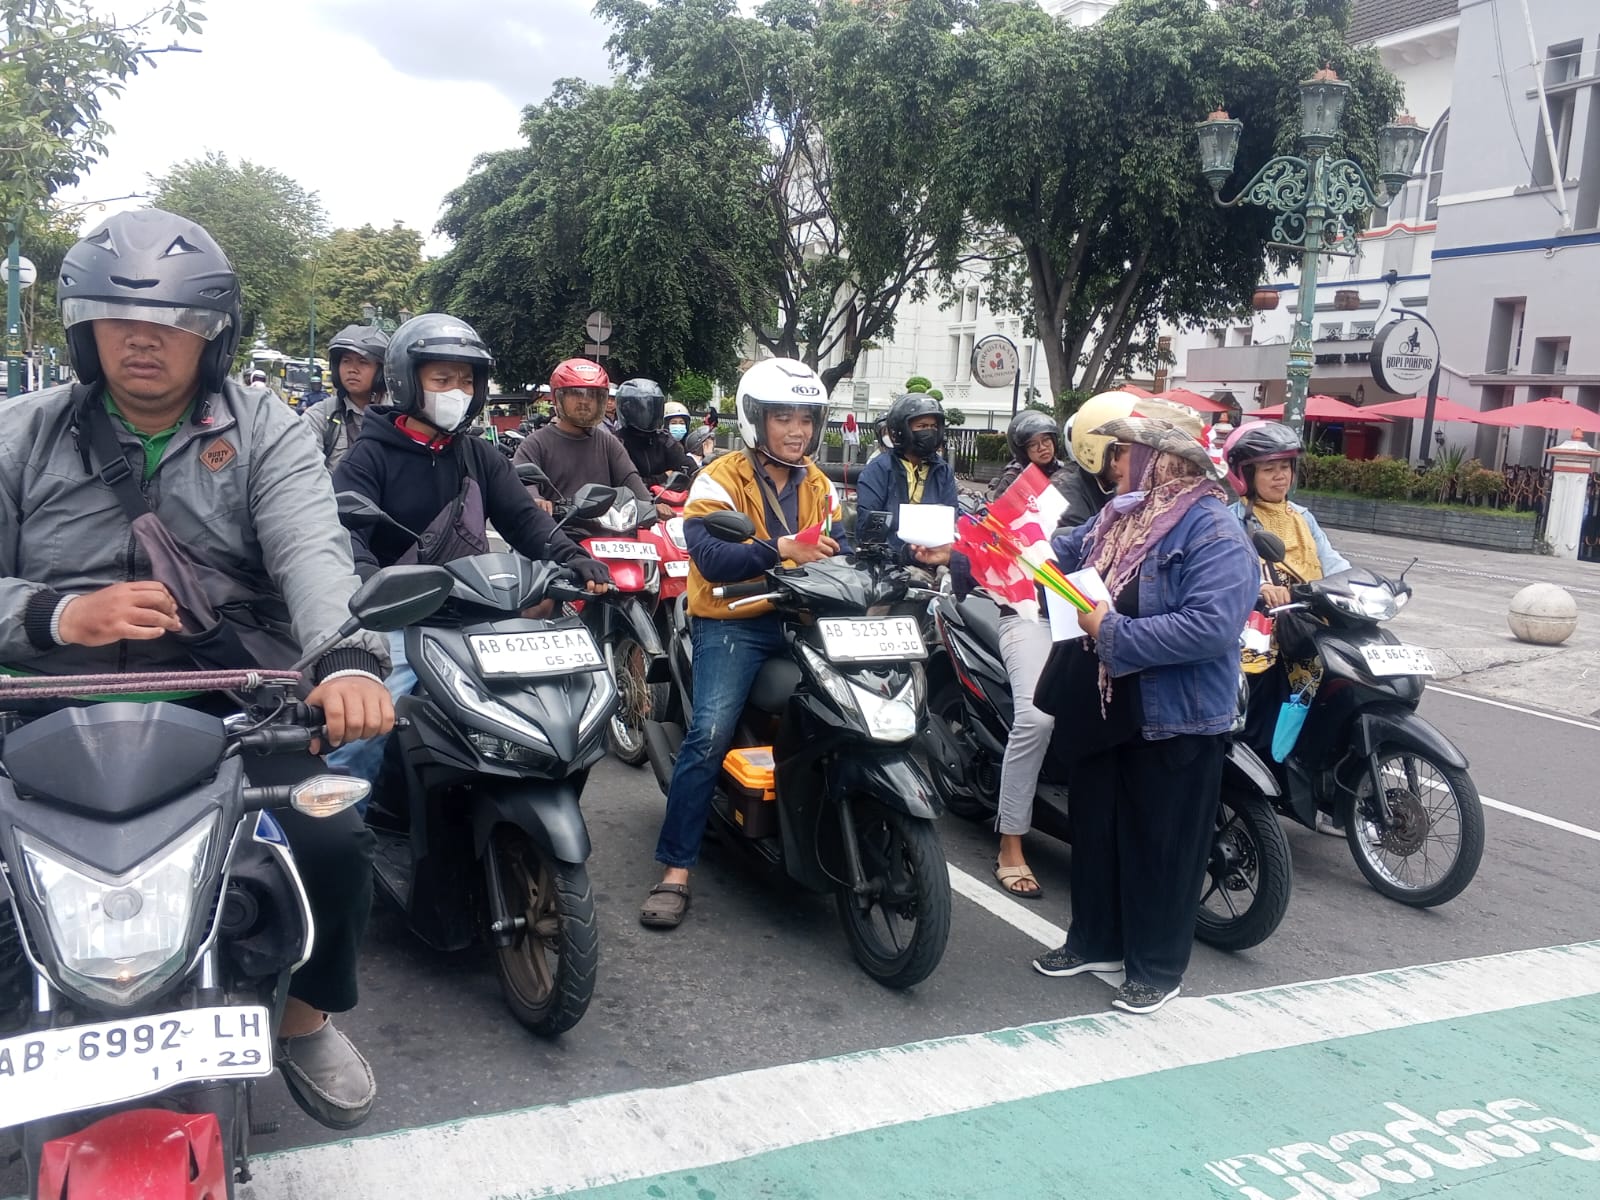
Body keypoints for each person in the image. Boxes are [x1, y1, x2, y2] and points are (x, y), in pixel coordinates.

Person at [0, 208, 394, 1127]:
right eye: (117, 315)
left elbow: (312, 550)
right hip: (39, 705)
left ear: (213, 337)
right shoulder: (19, 433)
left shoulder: (268, 430)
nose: (144, 340)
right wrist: (59, 615)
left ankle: (303, 1018)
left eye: (174, 322)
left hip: (226, 705)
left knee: (337, 845)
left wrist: (344, 661)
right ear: (81, 327)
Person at [1033, 416, 1258, 1014]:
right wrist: (998, 545)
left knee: (1162, 844)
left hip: (1173, 716)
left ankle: (1156, 967)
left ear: (1164, 460)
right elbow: (1065, 550)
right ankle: (1094, 941)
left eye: (1129, 452)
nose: (1119, 462)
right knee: (1098, 830)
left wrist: (1112, 631)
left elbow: (1212, 626)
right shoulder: (1123, 513)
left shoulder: (1212, 527)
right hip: (1105, 705)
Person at [330, 317, 613, 782]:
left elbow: (524, 519)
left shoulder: (477, 454)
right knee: (364, 732)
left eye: (466, 380)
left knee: (552, 715)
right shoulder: (370, 455)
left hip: (475, 616)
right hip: (397, 620)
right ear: (407, 380)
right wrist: (367, 578)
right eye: (442, 379)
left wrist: (571, 556)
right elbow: (345, 532)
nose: (457, 390)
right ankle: (339, 836)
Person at [640, 357, 843, 930]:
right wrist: (782, 549)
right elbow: (710, 556)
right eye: (783, 417)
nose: (797, 429)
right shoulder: (719, 478)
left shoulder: (822, 485)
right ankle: (675, 869)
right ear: (756, 420)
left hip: (801, 619)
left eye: (806, 417)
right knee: (709, 733)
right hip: (732, 620)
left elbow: (841, 545)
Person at [1224, 421, 1350, 829]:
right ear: (1245, 475)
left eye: (1285, 467)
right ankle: (1248, 797)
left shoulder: (1303, 518)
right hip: (1261, 634)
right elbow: (1228, 570)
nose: (1280, 476)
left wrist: (1362, 585)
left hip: (1312, 624)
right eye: (1268, 468)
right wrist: (1261, 585)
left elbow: (1333, 564)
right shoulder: (1233, 520)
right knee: (1260, 710)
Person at [513, 359, 653, 517]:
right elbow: (523, 484)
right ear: (558, 398)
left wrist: (651, 506)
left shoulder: (608, 443)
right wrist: (536, 499)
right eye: (575, 393)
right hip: (557, 531)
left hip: (608, 532)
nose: (584, 401)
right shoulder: (535, 443)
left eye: (592, 395)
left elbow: (630, 479)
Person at [854, 392, 959, 564]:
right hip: (887, 564)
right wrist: (904, 552)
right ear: (902, 429)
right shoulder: (879, 469)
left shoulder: (943, 470)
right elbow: (869, 530)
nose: (929, 431)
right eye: (922, 426)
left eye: (933, 426)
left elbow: (951, 519)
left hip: (934, 561)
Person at [303, 324, 389, 470]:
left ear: (381, 371)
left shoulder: (401, 416)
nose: (352, 370)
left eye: (363, 362)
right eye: (346, 361)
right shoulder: (321, 416)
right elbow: (304, 469)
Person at [615, 378, 696, 506]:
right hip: (630, 508)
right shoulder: (617, 443)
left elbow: (687, 466)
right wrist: (663, 477)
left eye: (653, 407)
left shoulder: (664, 439)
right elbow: (627, 483)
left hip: (669, 508)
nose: (648, 413)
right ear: (627, 409)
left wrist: (700, 474)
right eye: (642, 409)